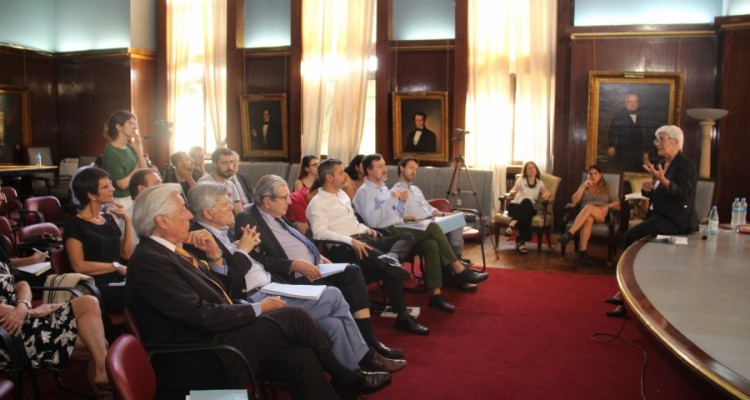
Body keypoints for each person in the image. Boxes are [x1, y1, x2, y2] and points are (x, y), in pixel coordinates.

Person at [126, 184, 391, 398]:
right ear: (162, 221)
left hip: (223, 334)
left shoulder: (174, 251)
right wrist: (257, 308)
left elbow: (225, 290)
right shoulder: (150, 260)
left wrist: (215, 256)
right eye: (182, 210)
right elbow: (200, 316)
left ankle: (345, 383)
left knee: (302, 358)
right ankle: (347, 376)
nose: (188, 215)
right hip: (203, 352)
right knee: (295, 316)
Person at [184, 182, 406, 373]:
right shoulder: (202, 241)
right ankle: (366, 357)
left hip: (271, 285)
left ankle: (353, 376)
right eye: (225, 203)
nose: (232, 206)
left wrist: (317, 256)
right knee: (334, 295)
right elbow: (228, 286)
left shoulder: (225, 231)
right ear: (208, 212)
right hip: (256, 299)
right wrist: (242, 250)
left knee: (333, 322)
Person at [235, 175, 406, 359]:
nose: (290, 201)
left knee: (352, 271)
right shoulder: (248, 218)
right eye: (284, 197)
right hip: (291, 277)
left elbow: (296, 239)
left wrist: (318, 255)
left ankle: (369, 339)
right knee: (337, 291)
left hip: (313, 266)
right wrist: (294, 265)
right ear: (267, 201)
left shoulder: (275, 215)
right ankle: (365, 352)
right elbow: (257, 260)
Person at [353, 154, 489, 313]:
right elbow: (374, 222)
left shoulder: (383, 187)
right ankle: (459, 269)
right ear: (369, 171)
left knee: (431, 245)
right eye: (380, 166)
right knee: (432, 227)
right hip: (386, 233)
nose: (385, 169)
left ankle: (436, 296)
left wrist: (401, 205)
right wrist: (393, 199)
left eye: (384, 165)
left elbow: (393, 213)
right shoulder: (365, 191)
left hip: (399, 225)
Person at [307, 159, 429, 335]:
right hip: (347, 249)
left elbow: (352, 221)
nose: (346, 175)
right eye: (341, 172)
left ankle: (391, 258)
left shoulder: (341, 195)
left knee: (406, 237)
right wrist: (350, 241)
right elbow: (319, 233)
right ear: (329, 178)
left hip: (363, 239)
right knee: (389, 268)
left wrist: (365, 228)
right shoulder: (317, 203)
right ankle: (403, 317)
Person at [605, 125, 698, 317]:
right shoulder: (663, 163)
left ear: (675, 141)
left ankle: (626, 295)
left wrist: (662, 181)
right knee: (635, 245)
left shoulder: (686, 166)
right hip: (660, 216)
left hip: (675, 221)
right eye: (656, 140)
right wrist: (650, 189)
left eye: (661, 139)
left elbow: (685, 195)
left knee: (630, 237)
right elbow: (661, 193)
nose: (657, 144)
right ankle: (627, 297)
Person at [0, 242, 110, 397]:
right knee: (100, 345)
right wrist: (29, 312)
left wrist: (23, 305)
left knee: (88, 302)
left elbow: (21, 283)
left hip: (21, 315)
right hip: (7, 332)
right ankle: (104, 382)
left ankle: (102, 371)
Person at [64, 167, 133, 316]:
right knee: (146, 295)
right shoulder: (74, 224)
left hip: (119, 278)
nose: (112, 189)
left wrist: (127, 221)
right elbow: (79, 266)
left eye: (111, 184)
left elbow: (126, 254)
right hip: (96, 285)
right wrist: (115, 266)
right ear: (91, 194)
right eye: (106, 186)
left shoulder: (107, 218)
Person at [393, 157, 465, 261]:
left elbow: (428, 207)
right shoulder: (395, 191)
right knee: (457, 221)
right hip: (419, 225)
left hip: (432, 220)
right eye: (411, 168)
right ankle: (457, 259)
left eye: (416, 169)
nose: (414, 172)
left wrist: (444, 214)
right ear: (402, 168)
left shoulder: (415, 189)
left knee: (458, 216)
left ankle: (454, 261)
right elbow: (398, 214)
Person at [557, 165, 619, 266]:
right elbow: (574, 200)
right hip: (585, 215)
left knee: (589, 207)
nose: (593, 176)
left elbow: (617, 201)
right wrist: (583, 187)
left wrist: (608, 206)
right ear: (587, 175)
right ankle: (583, 254)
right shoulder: (584, 186)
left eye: (595, 174)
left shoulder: (607, 187)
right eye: (590, 174)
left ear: (600, 175)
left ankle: (569, 233)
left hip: (601, 214)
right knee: (588, 219)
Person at [101, 110, 149, 210]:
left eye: (135, 124)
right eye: (131, 123)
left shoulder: (130, 147)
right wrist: (136, 169)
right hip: (120, 201)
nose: (135, 127)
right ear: (119, 127)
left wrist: (139, 151)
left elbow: (144, 171)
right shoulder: (110, 151)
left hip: (135, 198)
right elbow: (122, 184)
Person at [504, 161, 551, 255]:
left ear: (536, 170)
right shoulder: (521, 180)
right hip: (515, 206)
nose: (531, 170)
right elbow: (514, 189)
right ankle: (522, 242)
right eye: (529, 168)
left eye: (533, 167)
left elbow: (547, 192)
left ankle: (512, 223)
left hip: (529, 208)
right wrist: (512, 192)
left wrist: (546, 194)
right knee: (526, 212)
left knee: (527, 202)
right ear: (525, 171)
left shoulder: (539, 183)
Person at [607, 93, 652, 172]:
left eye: (635, 102)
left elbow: (646, 136)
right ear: (625, 103)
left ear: (638, 104)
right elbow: (613, 132)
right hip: (623, 151)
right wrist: (612, 146)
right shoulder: (619, 116)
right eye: (630, 101)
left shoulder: (642, 116)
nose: (632, 104)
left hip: (638, 152)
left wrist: (645, 151)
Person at [198, 148, 243, 215]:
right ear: (214, 164)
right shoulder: (204, 183)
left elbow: (239, 211)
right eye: (224, 163)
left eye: (231, 162)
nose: (229, 167)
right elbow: (208, 214)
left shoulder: (231, 185)